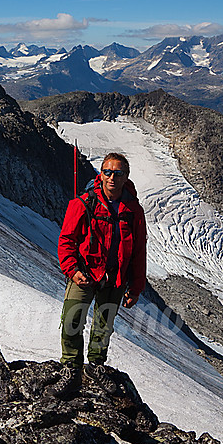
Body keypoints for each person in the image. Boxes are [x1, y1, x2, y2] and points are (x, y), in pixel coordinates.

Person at [47, 152, 147, 398]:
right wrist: (72, 270)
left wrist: (136, 288)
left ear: (126, 177)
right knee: (72, 320)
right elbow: (67, 240)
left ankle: (96, 366)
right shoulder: (83, 203)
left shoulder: (133, 211)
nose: (112, 177)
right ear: (100, 174)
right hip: (84, 273)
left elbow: (138, 251)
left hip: (115, 278)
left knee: (104, 326)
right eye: (108, 172)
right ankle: (71, 367)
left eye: (118, 173)